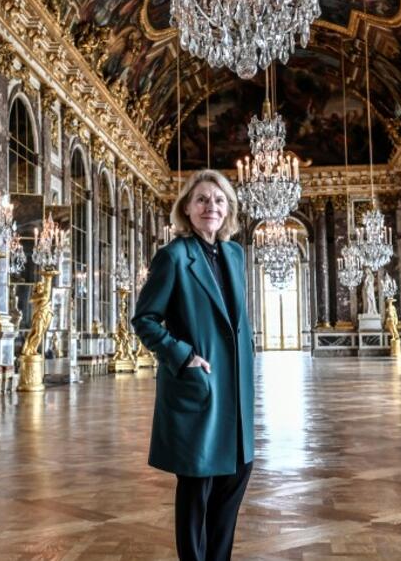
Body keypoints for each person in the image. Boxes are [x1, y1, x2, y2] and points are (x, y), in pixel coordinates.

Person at [133, 170, 254, 561]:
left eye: (219, 201)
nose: (211, 207)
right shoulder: (173, 257)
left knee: (235, 479)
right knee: (197, 485)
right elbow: (145, 320)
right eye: (202, 199)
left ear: (228, 209)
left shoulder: (235, 254)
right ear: (186, 208)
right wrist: (182, 356)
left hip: (235, 389)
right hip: (199, 383)